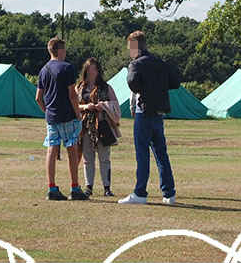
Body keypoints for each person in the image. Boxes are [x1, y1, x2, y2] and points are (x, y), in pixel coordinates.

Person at [119, 31, 179, 205]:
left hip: (143, 111)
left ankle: (140, 192)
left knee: (142, 154)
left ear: (135, 46)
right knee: (161, 154)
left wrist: (146, 87)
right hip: (159, 113)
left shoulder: (136, 64)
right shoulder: (160, 63)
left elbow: (132, 83)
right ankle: (169, 193)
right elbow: (175, 82)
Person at [35, 37, 87, 201]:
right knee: (71, 149)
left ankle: (52, 187)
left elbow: (38, 97)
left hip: (51, 117)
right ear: (60, 50)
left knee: (51, 150)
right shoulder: (67, 67)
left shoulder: (43, 70)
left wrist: (47, 111)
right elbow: (72, 94)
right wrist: (78, 113)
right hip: (67, 115)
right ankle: (75, 187)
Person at [76, 57, 120, 197]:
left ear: (98, 71)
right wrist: (85, 106)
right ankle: (88, 187)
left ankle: (107, 187)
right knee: (87, 158)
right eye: (89, 69)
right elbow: (73, 106)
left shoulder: (106, 88)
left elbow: (115, 106)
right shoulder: (80, 88)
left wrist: (104, 106)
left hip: (103, 125)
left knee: (104, 157)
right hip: (85, 126)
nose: (92, 72)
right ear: (85, 70)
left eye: (94, 69)